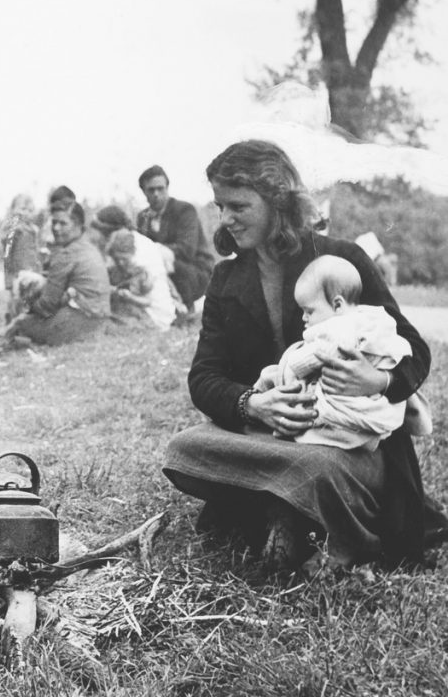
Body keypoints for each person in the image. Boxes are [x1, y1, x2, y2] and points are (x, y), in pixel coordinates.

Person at [163, 140, 445, 571]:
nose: (225, 219)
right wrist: (254, 404)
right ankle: (292, 504)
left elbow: (412, 348)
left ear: (278, 201)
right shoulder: (225, 278)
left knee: (317, 467)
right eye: (220, 206)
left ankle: (291, 510)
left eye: (238, 206)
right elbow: (204, 377)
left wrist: (380, 382)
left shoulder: (341, 259)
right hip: (272, 437)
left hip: (345, 442)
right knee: (183, 449)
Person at [254, 255, 431, 451]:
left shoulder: (339, 329)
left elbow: (308, 360)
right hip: (366, 403)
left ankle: (270, 403)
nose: (304, 317)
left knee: (277, 374)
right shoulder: (370, 319)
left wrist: (290, 364)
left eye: (309, 311)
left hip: (346, 402)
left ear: (337, 305)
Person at [0, 202, 110, 347]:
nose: (56, 228)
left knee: (22, 324)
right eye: (54, 222)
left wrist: (25, 311)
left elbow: (47, 306)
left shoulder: (67, 254)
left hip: (81, 322)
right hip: (99, 320)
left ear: (78, 226)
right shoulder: (87, 247)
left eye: (63, 224)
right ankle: (3, 332)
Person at [136, 165, 215, 312]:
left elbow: (187, 250)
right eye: (151, 190)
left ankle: (186, 308)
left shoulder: (184, 210)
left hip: (196, 270)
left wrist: (154, 252)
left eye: (161, 188)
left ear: (167, 187)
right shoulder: (143, 217)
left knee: (172, 266)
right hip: (162, 268)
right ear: (143, 191)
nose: (156, 194)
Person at [105, 227, 176, 331]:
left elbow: (148, 301)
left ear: (132, 254)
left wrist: (130, 297)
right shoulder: (114, 270)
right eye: (116, 259)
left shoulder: (141, 273)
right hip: (126, 309)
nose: (120, 263)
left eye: (124, 259)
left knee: (118, 326)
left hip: (145, 312)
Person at [1, 193, 41, 320]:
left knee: (29, 295)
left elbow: (34, 249)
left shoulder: (33, 229)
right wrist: (9, 269)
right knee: (16, 296)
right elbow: (6, 248)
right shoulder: (13, 228)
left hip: (31, 267)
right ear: (13, 209)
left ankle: (24, 320)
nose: (26, 213)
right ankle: (11, 319)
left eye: (30, 210)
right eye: (22, 209)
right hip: (16, 269)